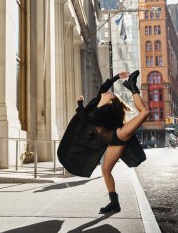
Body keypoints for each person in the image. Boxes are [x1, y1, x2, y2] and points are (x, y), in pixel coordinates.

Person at [57, 71, 149, 214]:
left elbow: (88, 120)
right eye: (107, 92)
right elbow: (102, 90)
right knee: (106, 170)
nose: (107, 92)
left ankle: (132, 87)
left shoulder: (106, 109)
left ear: (110, 101)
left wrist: (80, 104)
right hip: (111, 142)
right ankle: (114, 202)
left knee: (144, 113)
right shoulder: (97, 104)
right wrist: (117, 77)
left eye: (110, 94)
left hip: (119, 135)